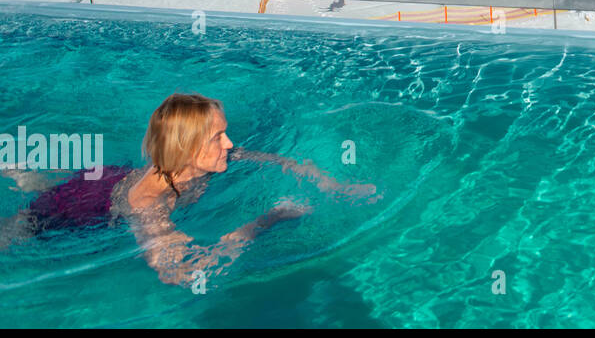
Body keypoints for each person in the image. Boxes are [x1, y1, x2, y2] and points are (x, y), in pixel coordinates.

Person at [0, 93, 377, 285]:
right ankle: (24, 179)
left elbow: (281, 160)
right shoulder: (151, 204)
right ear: (187, 149)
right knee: (23, 226)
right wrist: (270, 218)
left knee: (58, 186)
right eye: (218, 137)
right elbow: (181, 273)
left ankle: (24, 174)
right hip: (82, 209)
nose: (229, 144)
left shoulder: (204, 161)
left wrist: (333, 183)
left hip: (111, 175)